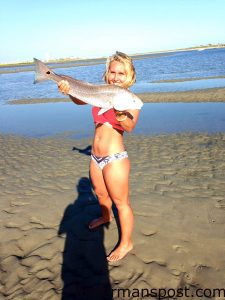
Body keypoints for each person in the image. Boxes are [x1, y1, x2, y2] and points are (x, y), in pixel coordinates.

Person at [58, 51, 142, 262]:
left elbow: (130, 126)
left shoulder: (130, 99)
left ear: (130, 75)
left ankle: (126, 243)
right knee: (101, 195)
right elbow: (81, 101)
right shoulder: (102, 93)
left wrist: (119, 110)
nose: (116, 77)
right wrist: (70, 91)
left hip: (115, 159)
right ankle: (105, 217)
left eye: (121, 73)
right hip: (96, 158)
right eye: (112, 72)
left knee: (121, 202)